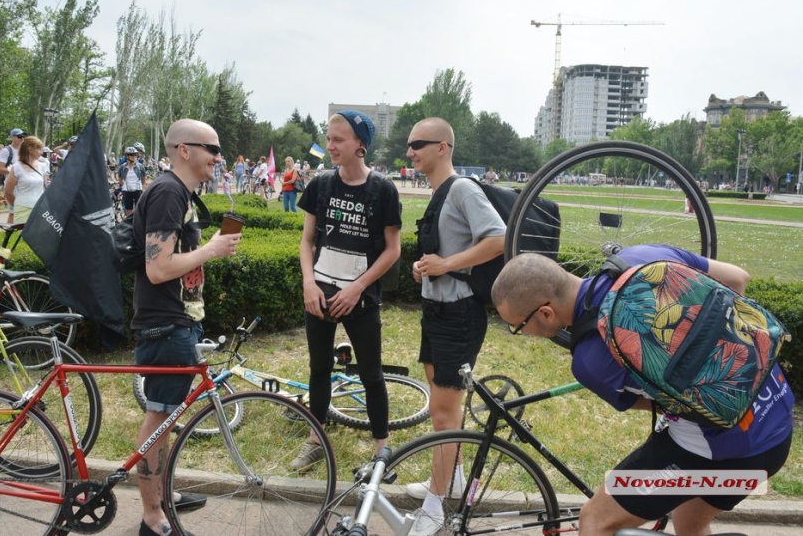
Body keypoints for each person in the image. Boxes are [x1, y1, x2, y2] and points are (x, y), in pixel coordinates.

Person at [491, 246, 794, 536]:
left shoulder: (589, 361)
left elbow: (657, 405)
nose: (522, 334)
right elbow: (738, 278)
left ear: (545, 313)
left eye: (518, 326)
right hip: (777, 423)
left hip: (721, 454)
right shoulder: (644, 256)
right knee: (688, 523)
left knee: (595, 520)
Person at [131, 119, 241, 536]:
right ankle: (151, 515)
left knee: (167, 413)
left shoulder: (181, 194)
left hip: (178, 321)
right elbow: (158, 269)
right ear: (183, 150)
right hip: (165, 324)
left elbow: (177, 259)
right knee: (159, 417)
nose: (218, 157)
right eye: (212, 149)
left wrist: (208, 249)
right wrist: (211, 248)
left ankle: (161, 495)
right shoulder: (167, 192)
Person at [407, 117, 505, 536]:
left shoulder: (464, 188)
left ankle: (435, 507)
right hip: (436, 313)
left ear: (443, 146)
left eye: (418, 144)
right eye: (409, 145)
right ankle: (454, 478)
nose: (410, 151)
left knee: (445, 416)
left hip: (459, 316)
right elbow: (449, 248)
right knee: (441, 408)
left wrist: (445, 264)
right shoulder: (439, 192)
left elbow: (499, 237)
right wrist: (427, 267)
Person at [294, 110, 401, 471]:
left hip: (361, 298)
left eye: (338, 139)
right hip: (319, 295)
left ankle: (381, 449)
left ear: (361, 145)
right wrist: (309, 283)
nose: (330, 145)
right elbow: (307, 241)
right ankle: (315, 438)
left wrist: (358, 288)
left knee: (371, 374)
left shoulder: (382, 189)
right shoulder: (321, 185)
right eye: (329, 138)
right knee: (318, 368)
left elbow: (392, 249)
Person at [3, 136, 48, 223]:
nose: (41, 152)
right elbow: (8, 192)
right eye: (39, 149)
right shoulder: (16, 167)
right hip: (23, 209)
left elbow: (42, 188)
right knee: (25, 235)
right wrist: (18, 204)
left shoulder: (41, 166)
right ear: (30, 150)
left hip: (39, 209)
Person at [118, 146, 148, 217]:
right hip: (127, 191)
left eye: (135, 155)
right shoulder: (122, 167)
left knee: (139, 209)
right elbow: (120, 179)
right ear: (127, 156)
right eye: (132, 155)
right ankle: (129, 225)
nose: (134, 156)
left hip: (137, 190)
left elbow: (144, 177)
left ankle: (138, 225)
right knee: (128, 210)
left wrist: (143, 186)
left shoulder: (140, 166)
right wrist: (122, 188)